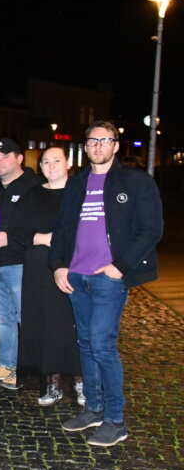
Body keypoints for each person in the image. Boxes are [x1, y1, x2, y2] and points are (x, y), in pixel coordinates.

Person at [51, 121, 163, 447]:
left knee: (102, 344)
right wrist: (59, 265)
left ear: (116, 145)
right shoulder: (77, 184)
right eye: (92, 141)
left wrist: (120, 267)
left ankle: (116, 419)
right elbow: (62, 228)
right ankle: (94, 409)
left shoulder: (136, 182)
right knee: (85, 344)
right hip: (77, 276)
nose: (98, 146)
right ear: (85, 147)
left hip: (108, 279)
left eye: (105, 140)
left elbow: (151, 229)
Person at [9, 147, 83, 406]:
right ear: (40, 167)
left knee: (71, 325)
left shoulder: (80, 193)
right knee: (43, 325)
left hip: (73, 267)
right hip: (39, 272)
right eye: (46, 162)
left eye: (56, 160)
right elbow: (17, 230)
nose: (51, 166)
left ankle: (79, 381)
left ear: (67, 163)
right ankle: (50, 383)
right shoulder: (33, 194)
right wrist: (44, 238)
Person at [0, 138, 41, 390]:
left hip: (20, 264)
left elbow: (39, 224)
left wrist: (12, 237)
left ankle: (26, 369)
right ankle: (6, 363)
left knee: (25, 318)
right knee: (2, 318)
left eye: (4, 156)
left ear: (19, 158)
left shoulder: (33, 187)